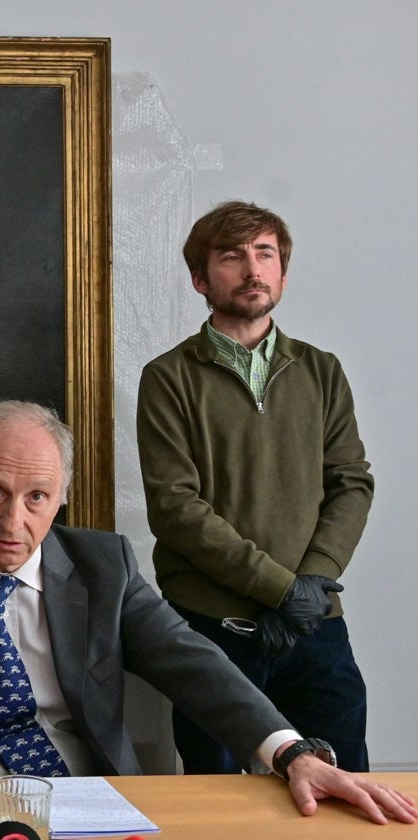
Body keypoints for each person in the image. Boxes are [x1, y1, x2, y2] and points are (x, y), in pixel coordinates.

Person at [0, 401, 415, 838]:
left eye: (37, 497)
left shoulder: (106, 566)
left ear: (61, 498)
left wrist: (292, 752)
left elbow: (193, 663)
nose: (13, 522)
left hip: (87, 801)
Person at [136, 201, 374, 775]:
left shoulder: (322, 371)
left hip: (314, 624)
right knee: (218, 801)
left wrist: (311, 584)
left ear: (282, 273)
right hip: (213, 630)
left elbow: (351, 483)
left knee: (346, 788)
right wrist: (281, 590)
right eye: (231, 256)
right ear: (200, 278)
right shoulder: (168, 378)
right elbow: (175, 508)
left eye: (265, 254)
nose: (252, 270)